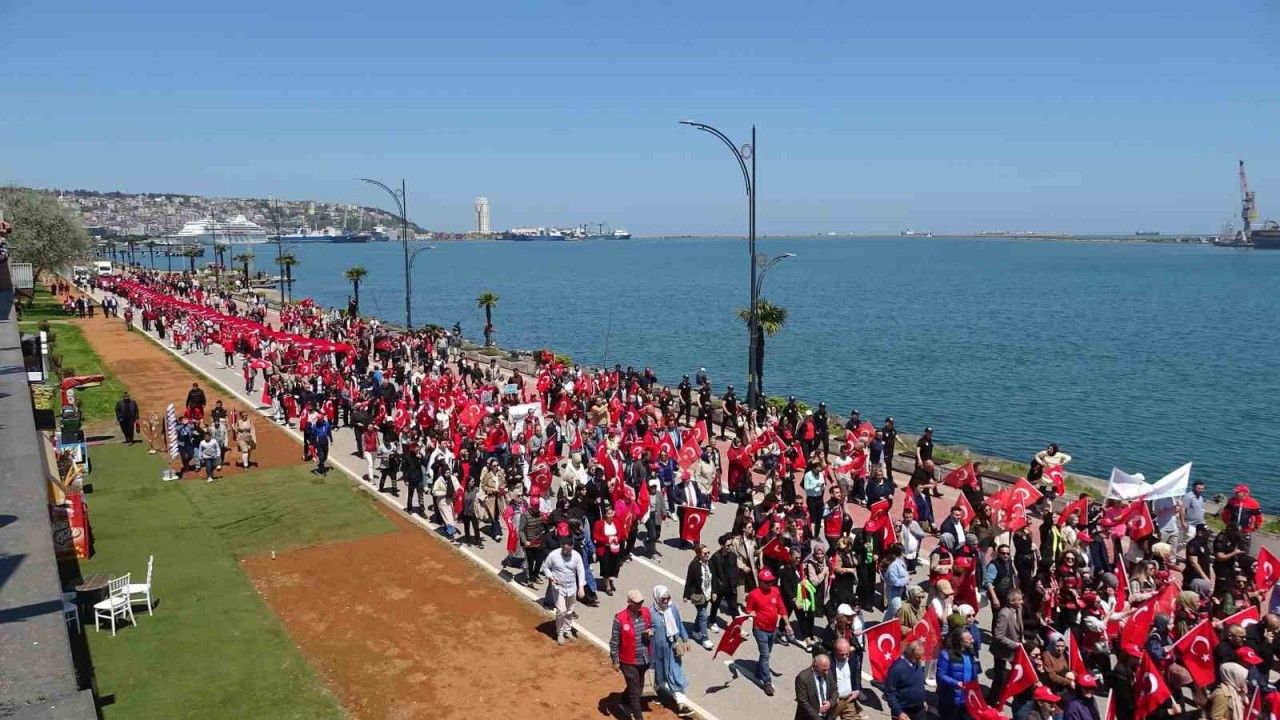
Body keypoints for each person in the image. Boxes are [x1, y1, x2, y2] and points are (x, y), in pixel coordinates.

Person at [609, 589, 654, 720]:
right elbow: (614, 641)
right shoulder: (620, 618)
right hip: (628, 661)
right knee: (635, 692)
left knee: (637, 687)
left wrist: (651, 632)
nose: (640, 605)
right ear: (629, 602)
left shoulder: (646, 612)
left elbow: (652, 626)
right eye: (637, 602)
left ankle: (623, 702)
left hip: (644, 658)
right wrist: (615, 660)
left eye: (641, 602)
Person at [746, 567, 789, 696]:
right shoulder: (753, 594)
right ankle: (767, 682)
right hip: (760, 629)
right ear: (760, 582)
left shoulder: (775, 591)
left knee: (767, 653)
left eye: (771, 581)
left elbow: (781, 608)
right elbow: (748, 610)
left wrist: (787, 624)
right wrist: (751, 613)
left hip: (772, 629)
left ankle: (760, 670)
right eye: (767, 581)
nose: (770, 583)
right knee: (765, 655)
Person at [649, 585, 692, 713]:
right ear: (657, 598)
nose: (666, 601)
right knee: (660, 676)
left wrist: (685, 639)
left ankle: (681, 704)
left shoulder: (672, 608)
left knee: (675, 674)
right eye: (663, 599)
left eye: (668, 598)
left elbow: (679, 624)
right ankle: (660, 693)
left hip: (672, 649)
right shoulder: (650, 613)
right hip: (657, 651)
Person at [542, 534, 586, 645]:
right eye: (564, 550)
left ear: (572, 547)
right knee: (561, 611)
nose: (566, 552)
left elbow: (581, 571)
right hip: (558, 587)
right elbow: (546, 568)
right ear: (561, 546)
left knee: (570, 610)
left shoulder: (576, 556)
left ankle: (567, 629)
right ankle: (560, 632)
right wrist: (551, 577)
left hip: (572, 587)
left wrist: (581, 587)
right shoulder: (553, 555)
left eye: (568, 550)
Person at [936, 628, 982, 720]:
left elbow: (973, 672)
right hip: (951, 697)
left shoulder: (969, 651)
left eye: (971, 638)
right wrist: (956, 683)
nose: (972, 641)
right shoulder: (945, 654)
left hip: (967, 697)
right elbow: (941, 676)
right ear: (960, 642)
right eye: (969, 639)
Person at [989, 590, 1025, 703]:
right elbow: (998, 636)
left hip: (1015, 650)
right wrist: (1015, 644)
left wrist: (1022, 638)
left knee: (1019, 674)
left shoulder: (1018, 609)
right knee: (999, 678)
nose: (1022, 602)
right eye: (1019, 600)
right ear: (1012, 601)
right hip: (1002, 651)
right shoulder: (1004, 614)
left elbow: (1019, 626)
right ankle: (992, 700)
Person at [885, 640, 928, 720]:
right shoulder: (897, 669)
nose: (921, 659)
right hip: (904, 712)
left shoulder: (916, 663)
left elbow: (919, 684)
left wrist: (922, 700)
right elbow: (890, 693)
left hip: (919, 710)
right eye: (918, 656)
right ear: (910, 654)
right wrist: (899, 713)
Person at [683, 544, 716, 650]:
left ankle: (696, 630)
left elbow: (713, 578)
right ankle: (705, 638)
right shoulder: (694, 565)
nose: (707, 555)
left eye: (708, 553)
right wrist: (686, 595)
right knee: (703, 615)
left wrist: (714, 592)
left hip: (708, 593)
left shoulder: (710, 563)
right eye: (705, 553)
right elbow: (689, 580)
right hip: (698, 594)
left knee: (701, 614)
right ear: (699, 554)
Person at [795, 653, 837, 720]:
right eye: (824, 669)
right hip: (809, 717)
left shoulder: (828, 672)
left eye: (827, 669)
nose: (826, 672)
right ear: (815, 666)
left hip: (827, 716)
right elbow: (803, 702)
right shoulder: (803, 678)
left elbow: (834, 690)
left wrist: (830, 703)